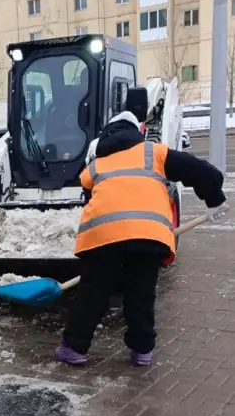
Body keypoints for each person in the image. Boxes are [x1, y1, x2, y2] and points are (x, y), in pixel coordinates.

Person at [55, 105, 226, 367]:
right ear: (137, 132)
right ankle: (142, 351)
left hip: (103, 236)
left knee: (93, 294)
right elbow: (201, 171)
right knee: (141, 293)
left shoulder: (95, 165)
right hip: (148, 236)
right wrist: (214, 198)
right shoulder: (154, 153)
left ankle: (75, 348)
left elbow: (90, 198)